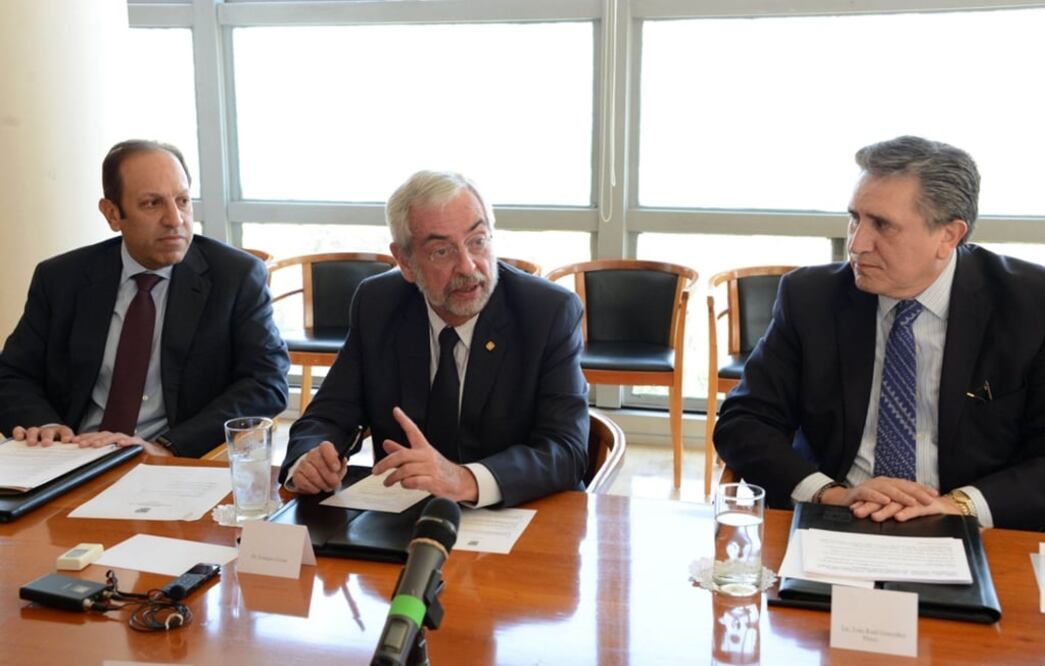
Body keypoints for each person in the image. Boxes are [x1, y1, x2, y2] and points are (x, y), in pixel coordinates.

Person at [714, 135, 1045, 531]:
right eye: (855, 218)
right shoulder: (810, 298)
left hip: (971, 526)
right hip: (837, 516)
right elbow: (744, 421)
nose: (856, 244)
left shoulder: (1030, 305)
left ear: (948, 236)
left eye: (882, 225)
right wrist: (830, 495)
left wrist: (957, 506)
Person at [279, 170, 588, 507]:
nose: (468, 266)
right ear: (405, 262)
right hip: (403, 519)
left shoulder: (546, 312)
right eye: (442, 251)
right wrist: (310, 458)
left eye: (478, 241)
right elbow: (328, 415)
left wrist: (464, 480)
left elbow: (565, 450)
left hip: (519, 517)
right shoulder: (378, 304)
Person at [0, 139, 290, 458]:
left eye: (182, 201)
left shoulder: (235, 277)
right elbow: (13, 375)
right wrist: (45, 425)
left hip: (170, 458)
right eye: (152, 203)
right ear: (112, 214)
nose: (175, 219)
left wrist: (166, 447)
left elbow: (266, 383)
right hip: (71, 456)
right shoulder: (61, 278)